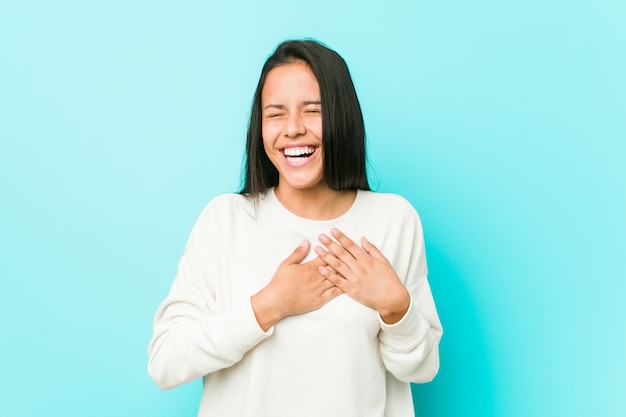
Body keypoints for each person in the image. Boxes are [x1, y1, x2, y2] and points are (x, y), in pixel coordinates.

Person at [148, 39, 443, 417]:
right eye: (275, 114)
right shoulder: (225, 220)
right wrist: (269, 305)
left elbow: (421, 369)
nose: (292, 129)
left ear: (342, 117)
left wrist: (396, 307)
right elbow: (166, 361)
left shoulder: (393, 220)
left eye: (313, 111)